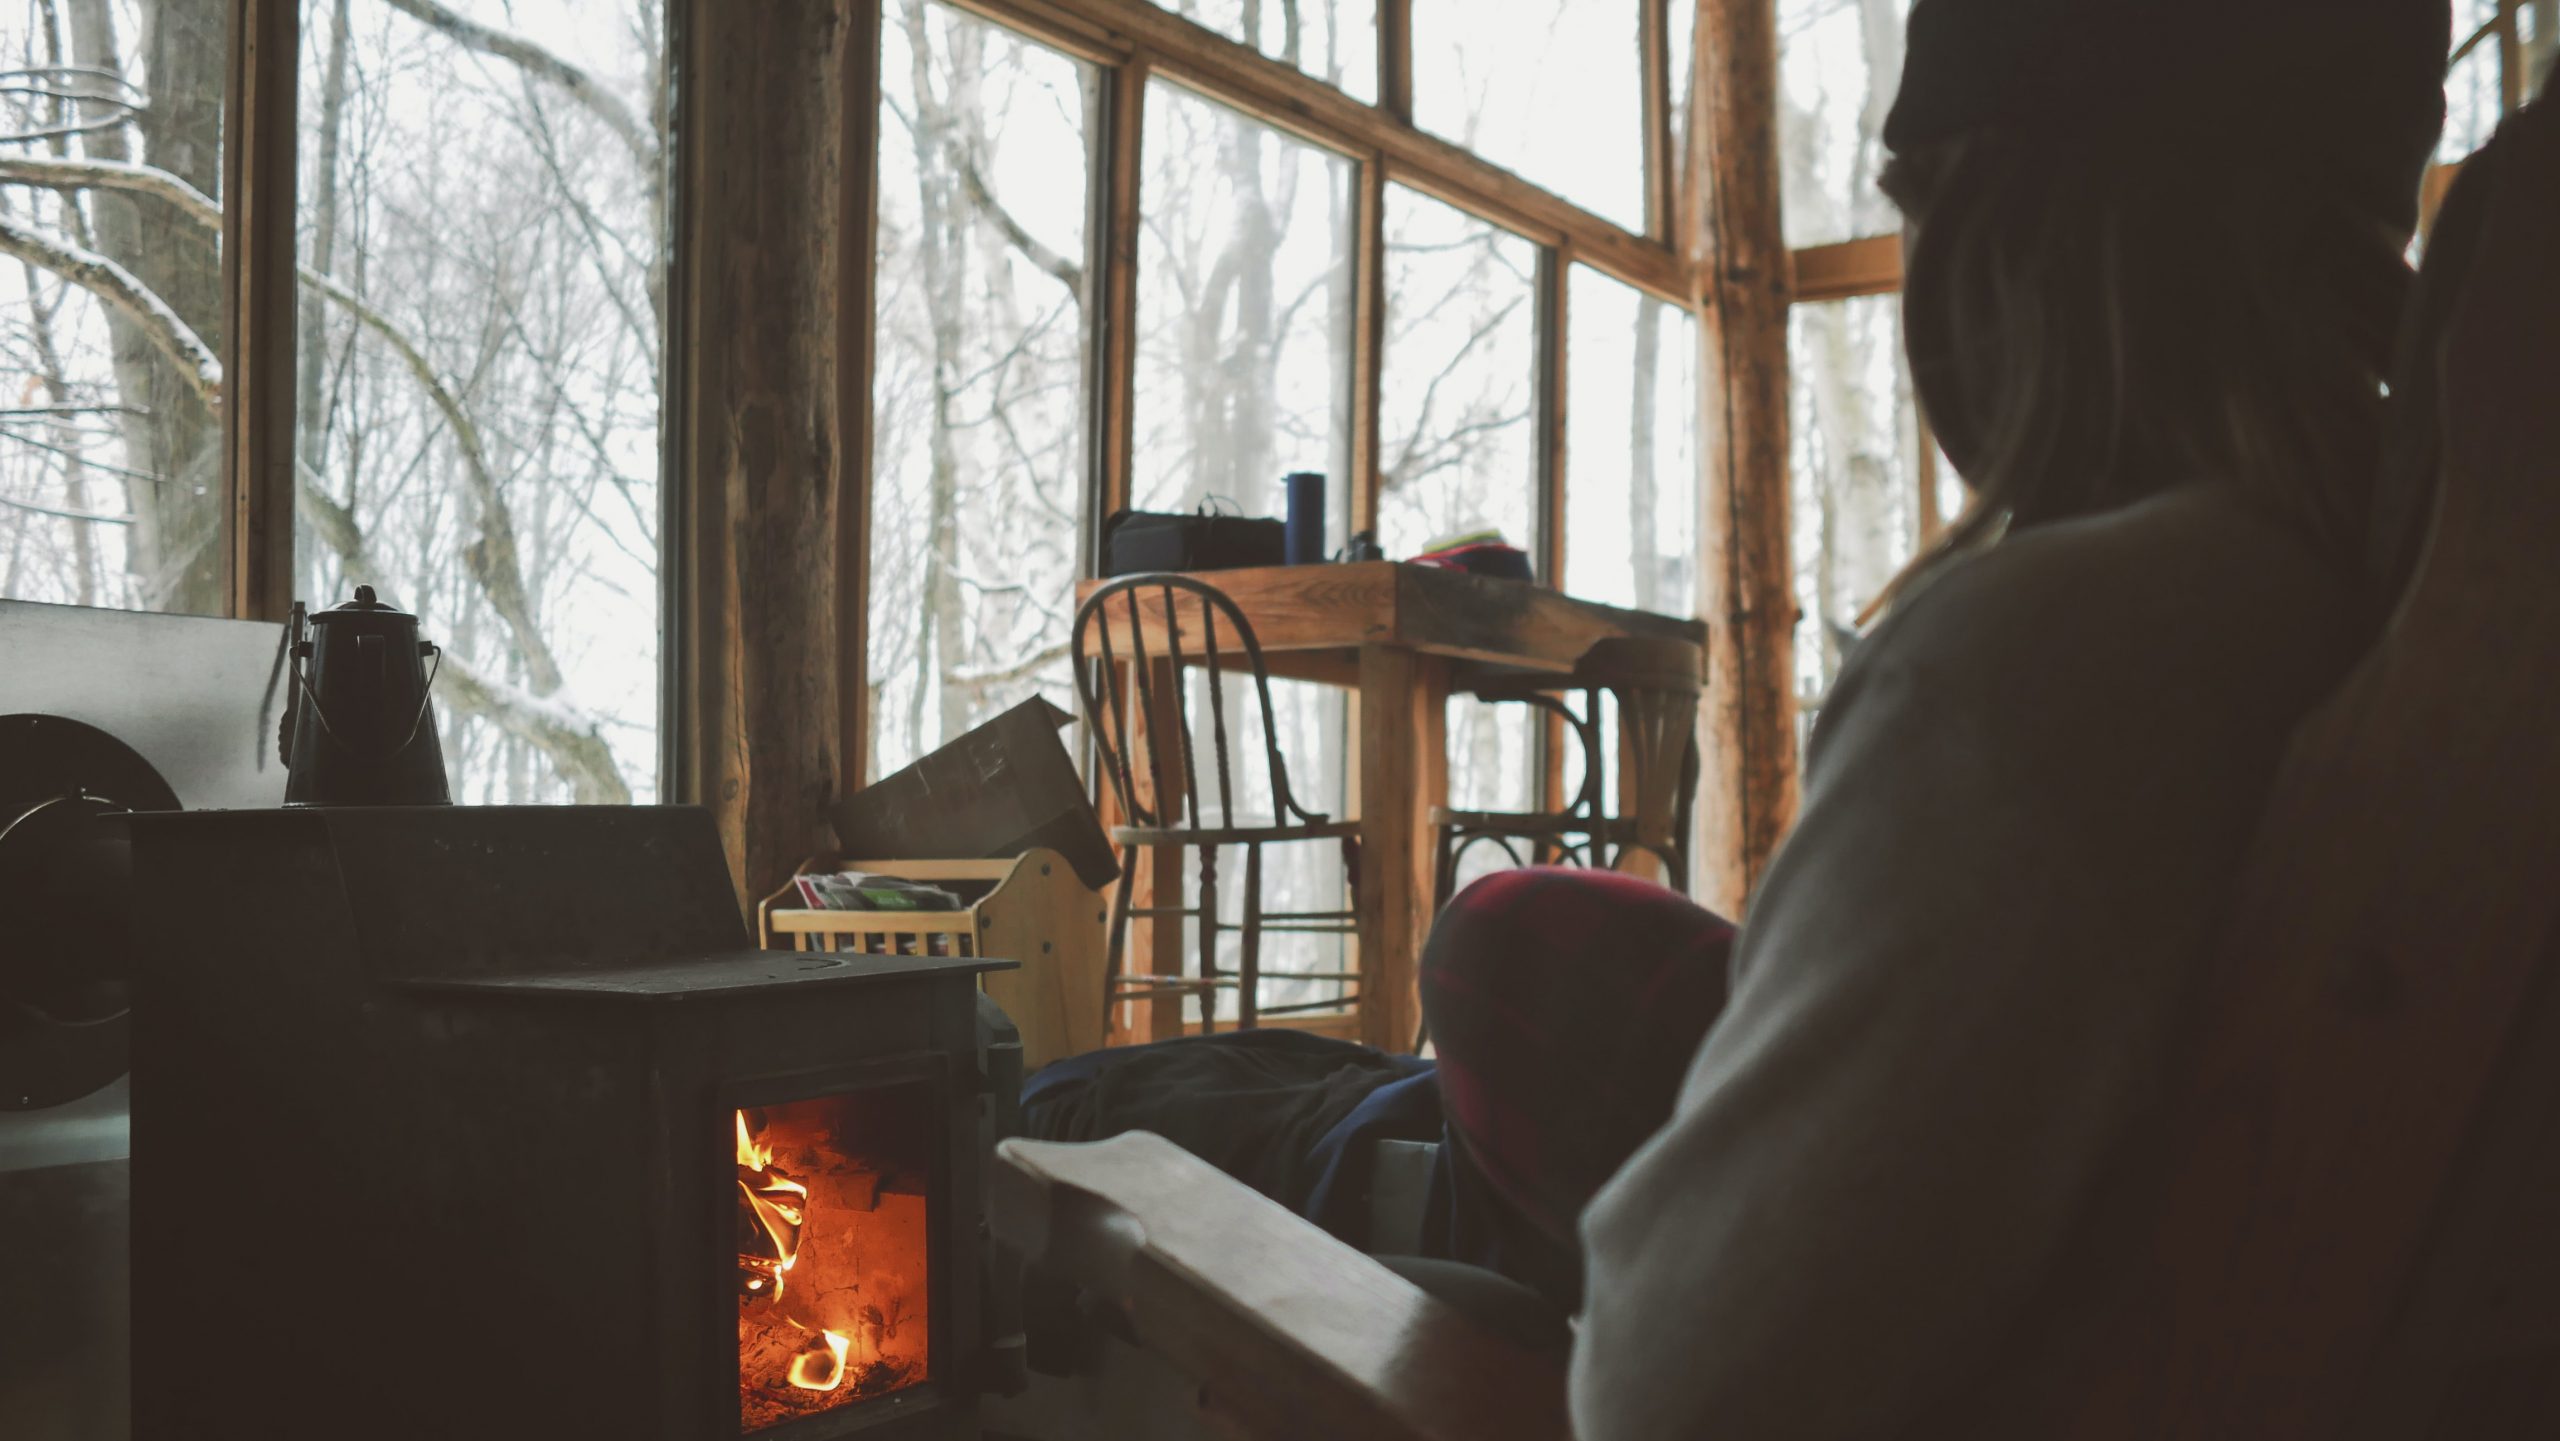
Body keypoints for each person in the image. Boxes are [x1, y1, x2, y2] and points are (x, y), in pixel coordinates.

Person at [1418, 3, 2457, 1437]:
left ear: (2005, 223)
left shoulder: (2040, 667)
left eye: (1915, 204)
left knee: (1476, 955)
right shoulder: (2388, 591)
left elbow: (1678, 1389)